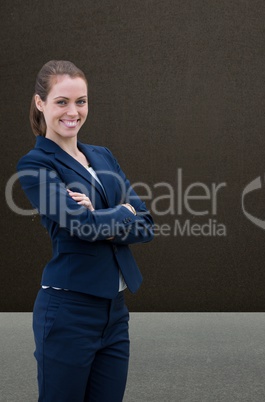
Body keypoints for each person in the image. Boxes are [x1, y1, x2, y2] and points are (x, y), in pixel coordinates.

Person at [17, 60, 154, 402]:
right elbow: (82, 226)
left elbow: (147, 224)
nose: (73, 112)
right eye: (62, 101)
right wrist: (122, 211)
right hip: (68, 311)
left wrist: (105, 215)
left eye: (81, 101)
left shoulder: (103, 157)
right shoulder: (36, 165)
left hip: (115, 312)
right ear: (40, 104)